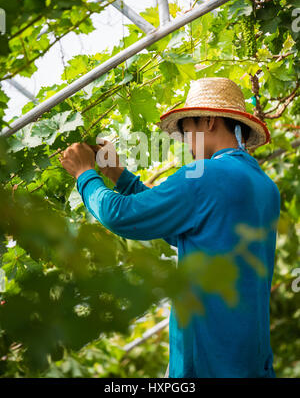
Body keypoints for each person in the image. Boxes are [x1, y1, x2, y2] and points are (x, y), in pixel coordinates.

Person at [60, 77, 280, 378]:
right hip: (251, 362)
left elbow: (119, 215)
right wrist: (120, 177)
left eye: (186, 130)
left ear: (209, 120)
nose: (186, 143)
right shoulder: (264, 186)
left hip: (210, 365)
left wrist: (85, 173)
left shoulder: (205, 175)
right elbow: (184, 228)